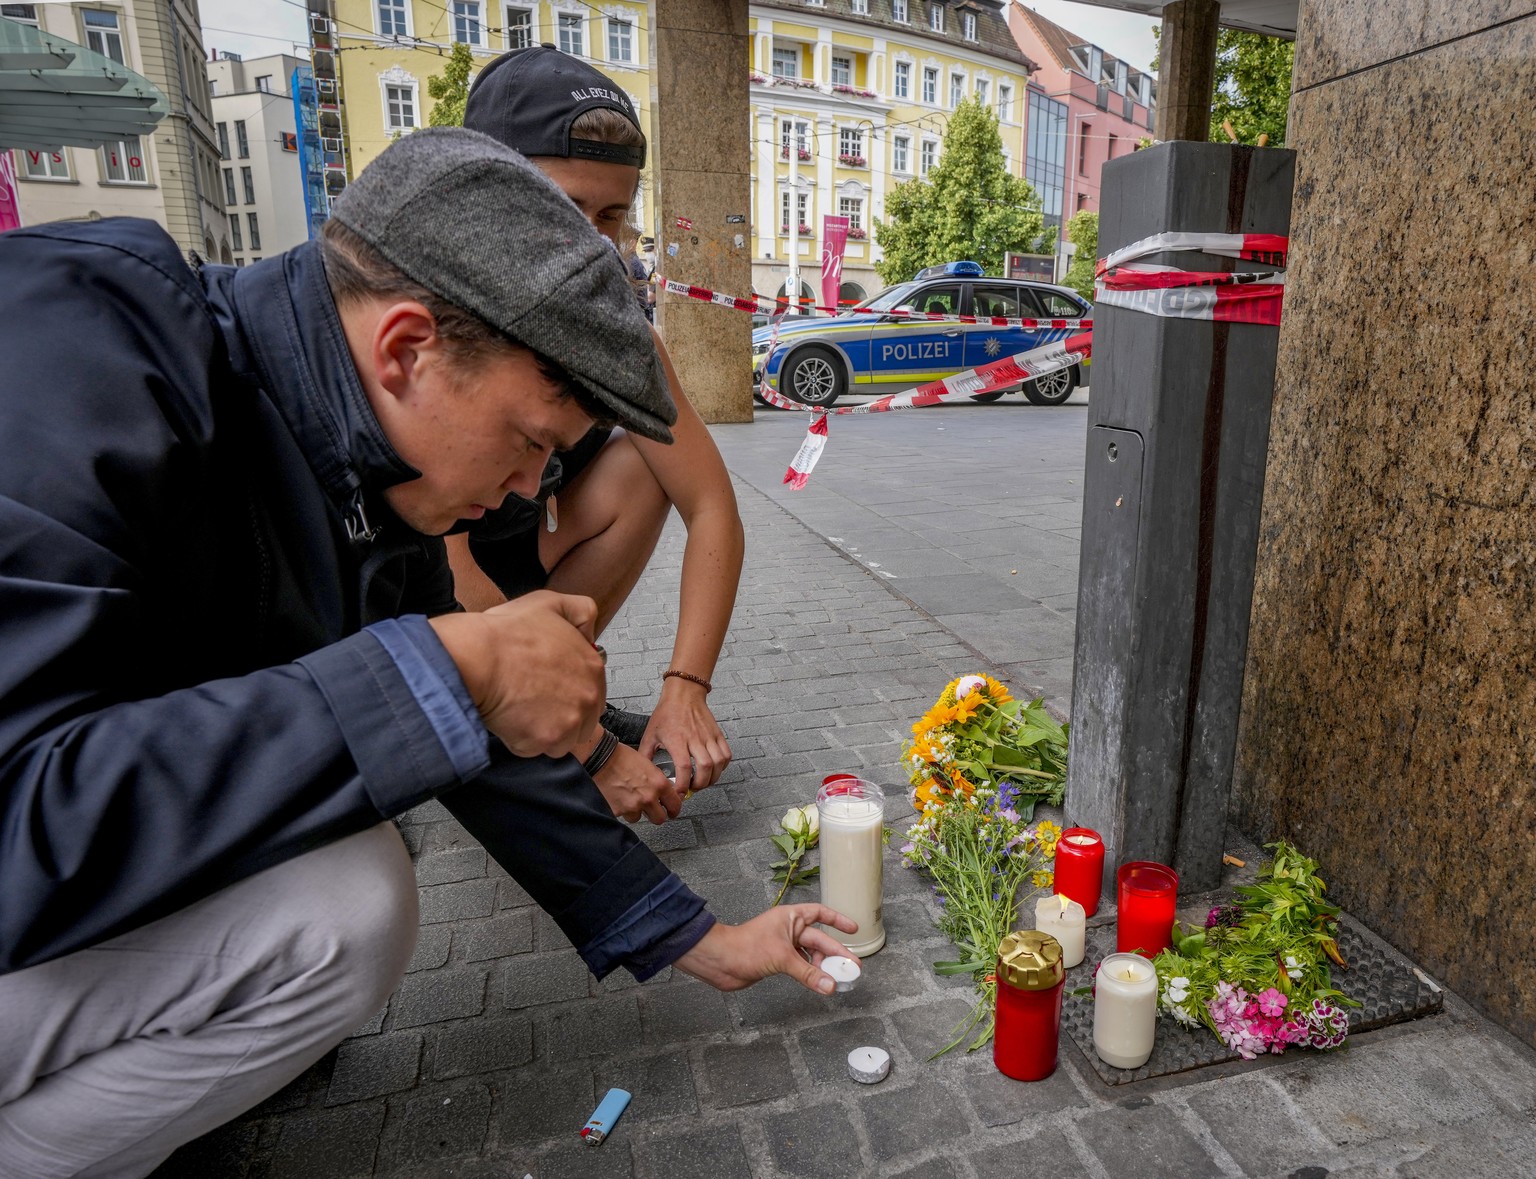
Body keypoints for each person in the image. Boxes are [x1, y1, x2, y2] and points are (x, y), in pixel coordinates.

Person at [0, 128, 854, 1179]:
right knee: (353, 893)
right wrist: (444, 670)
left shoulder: (354, 476)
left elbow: (484, 753)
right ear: (406, 348)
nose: (529, 492)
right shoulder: (76, 353)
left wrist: (702, 941)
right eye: (533, 441)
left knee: (353, 895)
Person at [451, 47, 744, 827]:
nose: (589, 247)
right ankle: (496, 715)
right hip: (427, 594)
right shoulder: (439, 331)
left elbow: (713, 505)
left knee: (647, 469)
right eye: (562, 208)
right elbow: (437, 574)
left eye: (611, 216)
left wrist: (686, 687)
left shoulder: (622, 335)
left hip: (523, 548)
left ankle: (550, 687)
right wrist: (584, 744)